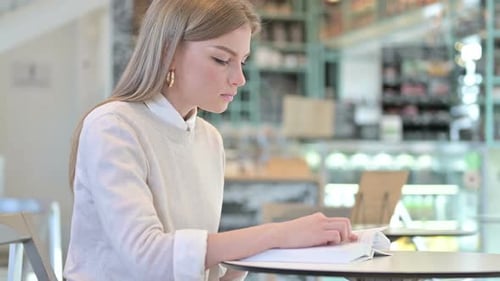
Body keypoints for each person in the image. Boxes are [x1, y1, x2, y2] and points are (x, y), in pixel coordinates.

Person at [64, 0, 357, 280]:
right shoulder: (113, 127)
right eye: (221, 60)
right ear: (168, 51)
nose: (240, 78)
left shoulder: (209, 140)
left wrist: (254, 256)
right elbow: (149, 259)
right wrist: (277, 234)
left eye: (242, 61)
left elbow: (196, 268)